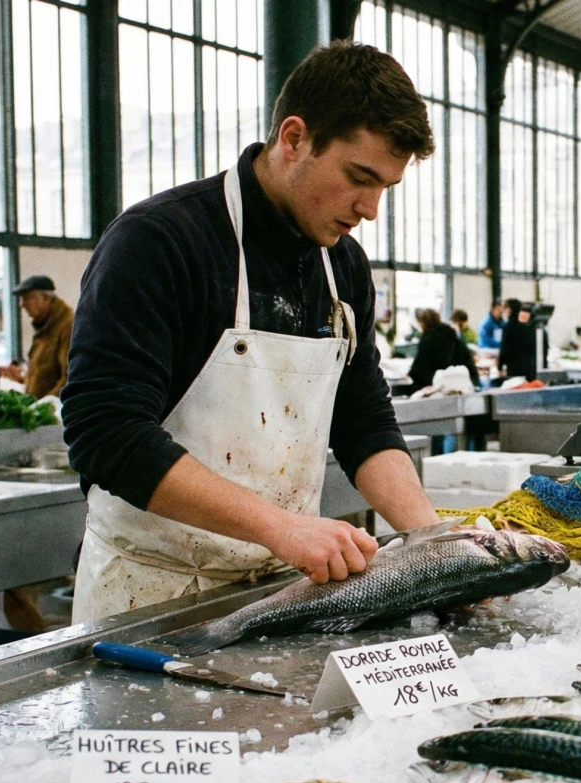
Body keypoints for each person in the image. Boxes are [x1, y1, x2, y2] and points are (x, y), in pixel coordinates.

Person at [60, 43, 443, 623]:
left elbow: (363, 420)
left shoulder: (342, 266)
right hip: (147, 595)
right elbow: (106, 434)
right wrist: (280, 527)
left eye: (386, 187)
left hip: (283, 590)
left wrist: (440, 548)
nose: (369, 208)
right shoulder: (160, 243)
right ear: (294, 139)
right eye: (359, 177)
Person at [0, 275, 74, 399]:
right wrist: (23, 378)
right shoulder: (45, 327)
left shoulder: (67, 327)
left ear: (45, 298)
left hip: (55, 414)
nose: (21, 305)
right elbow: (46, 375)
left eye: (26, 298)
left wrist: (41, 408)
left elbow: (69, 378)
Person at [408, 308, 478, 390]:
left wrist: (409, 374)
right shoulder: (451, 335)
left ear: (422, 324)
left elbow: (418, 368)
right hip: (461, 382)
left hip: (437, 384)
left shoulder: (428, 340)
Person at [498, 298, 543, 381]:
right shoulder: (528, 326)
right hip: (529, 367)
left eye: (505, 308)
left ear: (509, 309)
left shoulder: (508, 326)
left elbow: (505, 349)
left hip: (514, 368)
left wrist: (499, 367)